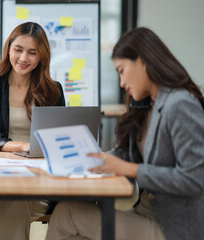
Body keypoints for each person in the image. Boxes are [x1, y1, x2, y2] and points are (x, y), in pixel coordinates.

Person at [45, 27, 204, 240]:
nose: (121, 82)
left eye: (121, 70)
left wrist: (130, 169)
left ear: (142, 61)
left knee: (67, 213)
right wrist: (98, 159)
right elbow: (130, 155)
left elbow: (194, 179)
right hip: (146, 213)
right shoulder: (148, 105)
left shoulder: (179, 104)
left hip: (173, 227)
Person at [0, 22, 65, 240]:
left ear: (42, 56)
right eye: (18, 50)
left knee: (3, 204)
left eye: (32, 53)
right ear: (8, 50)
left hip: (39, 178)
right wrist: (24, 146)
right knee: (6, 199)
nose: (24, 58)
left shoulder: (53, 91)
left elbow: (57, 138)